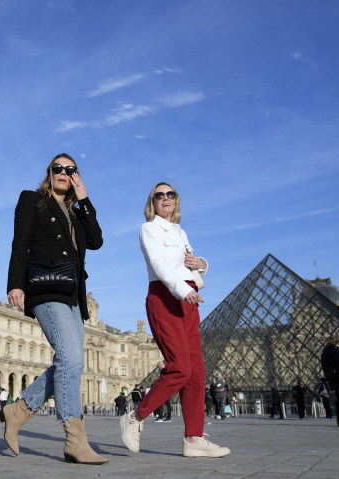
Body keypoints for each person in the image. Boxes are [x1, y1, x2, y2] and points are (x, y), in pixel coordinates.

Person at [4, 153, 106, 465]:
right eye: (57, 168)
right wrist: (15, 283)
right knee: (72, 359)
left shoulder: (77, 214)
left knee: (71, 362)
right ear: (49, 173)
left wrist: (84, 199)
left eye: (69, 170)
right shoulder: (32, 199)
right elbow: (19, 243)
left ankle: (18, 410)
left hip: (73, 293)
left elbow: (97, 241)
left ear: (75, 177)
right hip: (45, 287)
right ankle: (74, 440)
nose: (63, 173)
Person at [120, 182, 229, 458]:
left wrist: (202, 264)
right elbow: (160, 265)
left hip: (189, 299)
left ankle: (193, 438)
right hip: (167, 297)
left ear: (176, 201)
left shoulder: (180, 232)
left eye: (171, 194)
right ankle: (135, 417)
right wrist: (183, 291)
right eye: (160, 195)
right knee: (180, 368)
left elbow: (191, 264)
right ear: (152, 202)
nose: (165, 198)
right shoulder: (149, 229)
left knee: (196, 373)